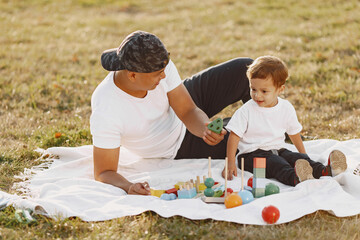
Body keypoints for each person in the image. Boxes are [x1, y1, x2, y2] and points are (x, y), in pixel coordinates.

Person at [90, 30, 253, 195]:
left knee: (246, 70)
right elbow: (104, 172)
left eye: (164, 69)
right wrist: (128, 186)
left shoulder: (158, 66)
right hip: (177, 144)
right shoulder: (107, 109)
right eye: (157, 74)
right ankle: (268, 131)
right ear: (132, 75)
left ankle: (268, 116)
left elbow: (188, 110)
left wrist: (205, 128)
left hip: (181, 102)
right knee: (250, 140)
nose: (164, 75)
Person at [222, 55, 347, 186]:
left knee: (294, 158)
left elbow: (294, 133)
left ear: (280, 89)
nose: (257, 95)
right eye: (253, 89)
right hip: (250, 156)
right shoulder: (246, 110)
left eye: (264, 91)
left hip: (278, 149)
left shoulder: (286, 107)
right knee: (277, 164)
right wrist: (230, 162)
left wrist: (304, 157)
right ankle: (296, 178)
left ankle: (326, 170)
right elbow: (234, 137)